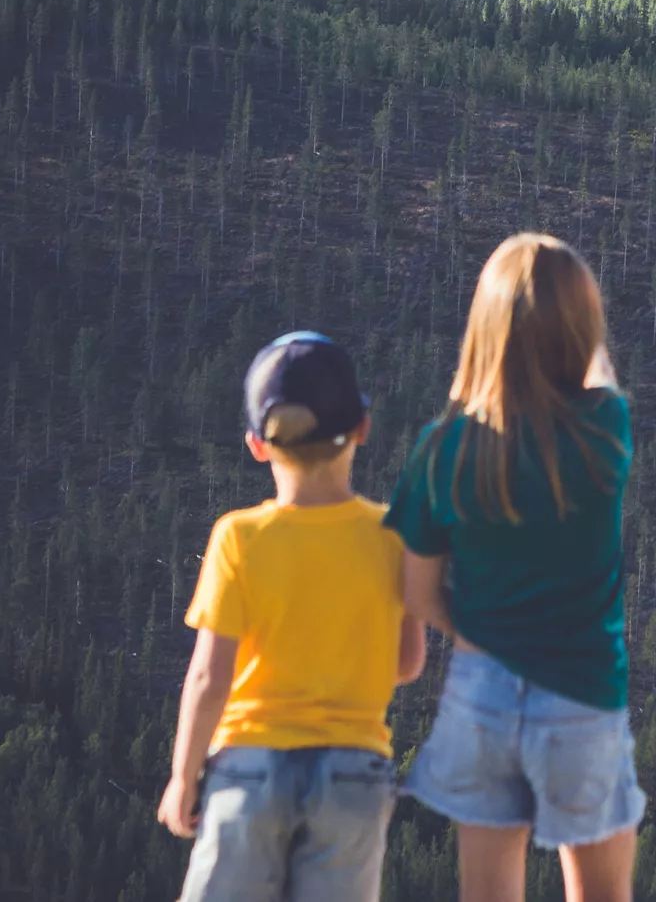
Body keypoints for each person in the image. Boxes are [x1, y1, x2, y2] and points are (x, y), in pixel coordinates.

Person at [385, 233, 643, 902]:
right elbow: (599, 375)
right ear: (584, 333)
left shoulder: (441, 449)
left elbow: (418, 592)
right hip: (583, 694)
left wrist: (482, 632)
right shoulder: (604, 430)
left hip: (482, 694)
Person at [159, 331, 427, 902]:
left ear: (257, 444)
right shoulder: (393, 537)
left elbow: (210, 678)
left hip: (249, 769)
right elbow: (407, 663)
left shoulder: (238, 538)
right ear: (362, 429)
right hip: (355, 774)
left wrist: (184, 777)